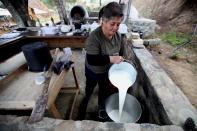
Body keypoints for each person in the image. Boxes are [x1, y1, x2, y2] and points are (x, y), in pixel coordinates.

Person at [79, 2, 125, 121]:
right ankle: (84, 105)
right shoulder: (94, 38)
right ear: (103, 21)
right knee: (90, 88)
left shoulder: (118, 36)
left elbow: (119, 52)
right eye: (112, 24)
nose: (115, 28)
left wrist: (119, 60)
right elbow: (92, 59)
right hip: (93, 71)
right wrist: (111, 58)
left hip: (107, 72)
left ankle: (101, 108)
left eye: (118, 24)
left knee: (104, 91)